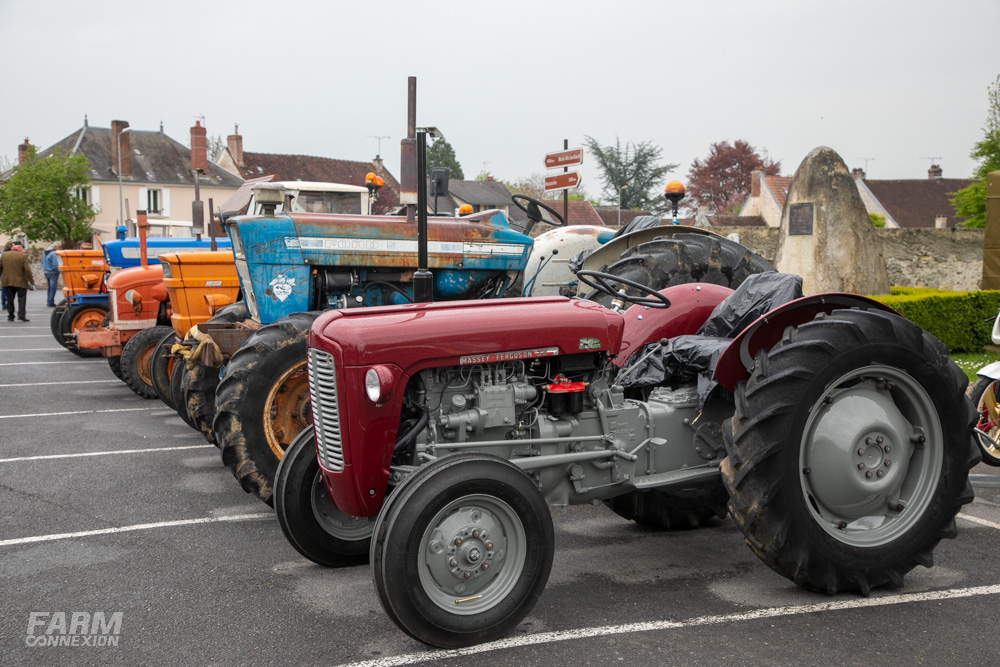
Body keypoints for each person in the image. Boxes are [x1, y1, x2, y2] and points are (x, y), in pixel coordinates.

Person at [1, 241, 35, 322]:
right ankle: (21, 315)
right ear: (19, 247)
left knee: (10, 299)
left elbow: (0, 267)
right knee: (22, 299)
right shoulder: (23, 256)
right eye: (22, 248)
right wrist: (31, 281)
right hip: (20, 281)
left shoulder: (4, 255)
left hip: (7, 281)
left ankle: (11, 315)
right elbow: (27, 270)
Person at [43, 241, 62, 307]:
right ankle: (51, 302)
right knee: (53, 288)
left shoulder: (45, 253)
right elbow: (55, 264)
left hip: (46, 272)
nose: (59, 249)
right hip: (53, 272)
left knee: (49, 288)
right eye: (59, 247)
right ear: (55, 247)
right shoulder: (53, 254)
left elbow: (43, 262)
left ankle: (49, 301)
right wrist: (59, 271)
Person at [0, 240, 11, 310]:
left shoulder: (2, 253)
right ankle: (8, 303)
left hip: (3, 273)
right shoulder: (11, 254)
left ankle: (3, 304)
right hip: (10, 273)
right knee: (10, 289)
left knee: (3, 289)